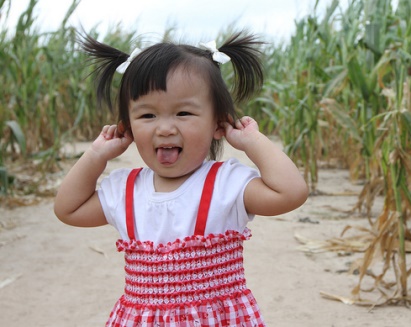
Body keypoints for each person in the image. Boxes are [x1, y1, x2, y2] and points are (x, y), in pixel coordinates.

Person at [54, 31, 309, 327]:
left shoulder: (225, 184)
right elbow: (67, 209)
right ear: (128, 127)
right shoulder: (125, 190)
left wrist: (252, 140)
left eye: (183, 112)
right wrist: (96, 154)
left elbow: (291, 193)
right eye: (147, 116)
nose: (164, 128)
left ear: (218, 123)